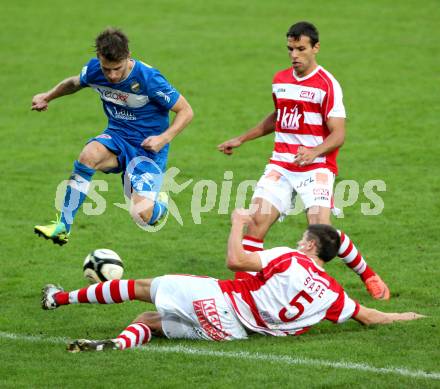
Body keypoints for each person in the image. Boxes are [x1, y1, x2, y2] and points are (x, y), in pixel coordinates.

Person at [41, 209, 423, 352]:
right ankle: (116, 346)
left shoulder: (289, 258)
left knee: (141, 287)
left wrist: (238, 224)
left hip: (222, 300)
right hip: (232, 332)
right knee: (147, 323)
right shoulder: (334, 296)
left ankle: (57, 300)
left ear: (309, 244)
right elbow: (372, 317)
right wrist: (410, 317)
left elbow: (235, 260)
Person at [217, 21, 389, 299]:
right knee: (257, 221)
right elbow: (279, 115)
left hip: (316, 167)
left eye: (300, 49)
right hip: (281, 165)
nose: (294, 55)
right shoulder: (280, 79)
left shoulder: (327, 85)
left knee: (320, 232)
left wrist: (314, 151)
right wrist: (242, 138)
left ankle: (367, 275)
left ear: (315, 48)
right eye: (290, 49)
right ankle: (244, 291)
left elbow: (339, 134)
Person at [32, 27, 193, 245]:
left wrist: (163, 138)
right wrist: (47, 96)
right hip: (117, 137)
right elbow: (73, 83)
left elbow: (186, 111)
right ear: (99, 58)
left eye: (117, 69)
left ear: (128, 56)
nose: (112, 75)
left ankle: (160, 204)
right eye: (107, 69)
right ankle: (63, 226)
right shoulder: (94, 70)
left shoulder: (149, 79)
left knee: (141, 215)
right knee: (88, 155)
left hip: (148, 148)